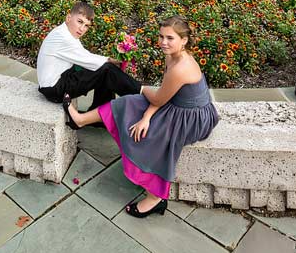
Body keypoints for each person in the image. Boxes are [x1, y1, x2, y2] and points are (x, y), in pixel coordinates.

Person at [65, 16, 219, 218]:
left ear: (184, 40)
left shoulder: (182, 67)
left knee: (150, 136)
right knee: (128, 103)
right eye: (161, 36)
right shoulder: (171, 56)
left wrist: (143, 88)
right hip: (174, 105)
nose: (163, 42)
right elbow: (162, 98)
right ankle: (81, 119)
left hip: (191, 119)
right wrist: (146, 115)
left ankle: (155, 197)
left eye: (170, 38)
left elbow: (158, 97)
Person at [37, 2, 141, 111]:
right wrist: (109, 60)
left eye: (86, 25)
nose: (82, 29)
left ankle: (99, 111)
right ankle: (140, 94)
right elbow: (87, 59)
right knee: (106, 70)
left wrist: (108, 61)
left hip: (58, 80)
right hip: (54, 89)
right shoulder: (63, 37)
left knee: (104, 70)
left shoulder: (65, 32)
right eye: (79, 22)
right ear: (68, 18)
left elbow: (84, 55)